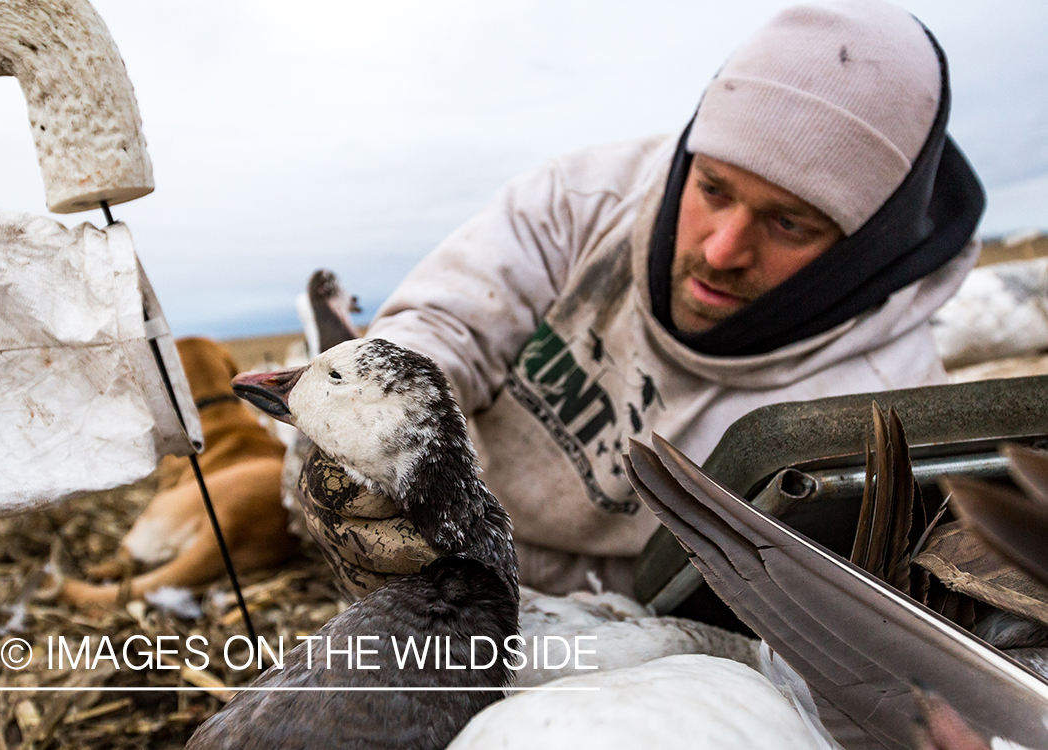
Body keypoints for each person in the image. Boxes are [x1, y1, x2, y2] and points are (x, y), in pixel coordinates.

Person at [297, 0, 985, 597]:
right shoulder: (584, 199)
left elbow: (714, 600)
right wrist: (389, 432)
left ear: (863, 244)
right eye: (712, 188)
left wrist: (484, 569)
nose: (721, 250)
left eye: (788, 224)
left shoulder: (871, 417)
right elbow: (446, 326)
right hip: (445, 515)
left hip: (604, 621)